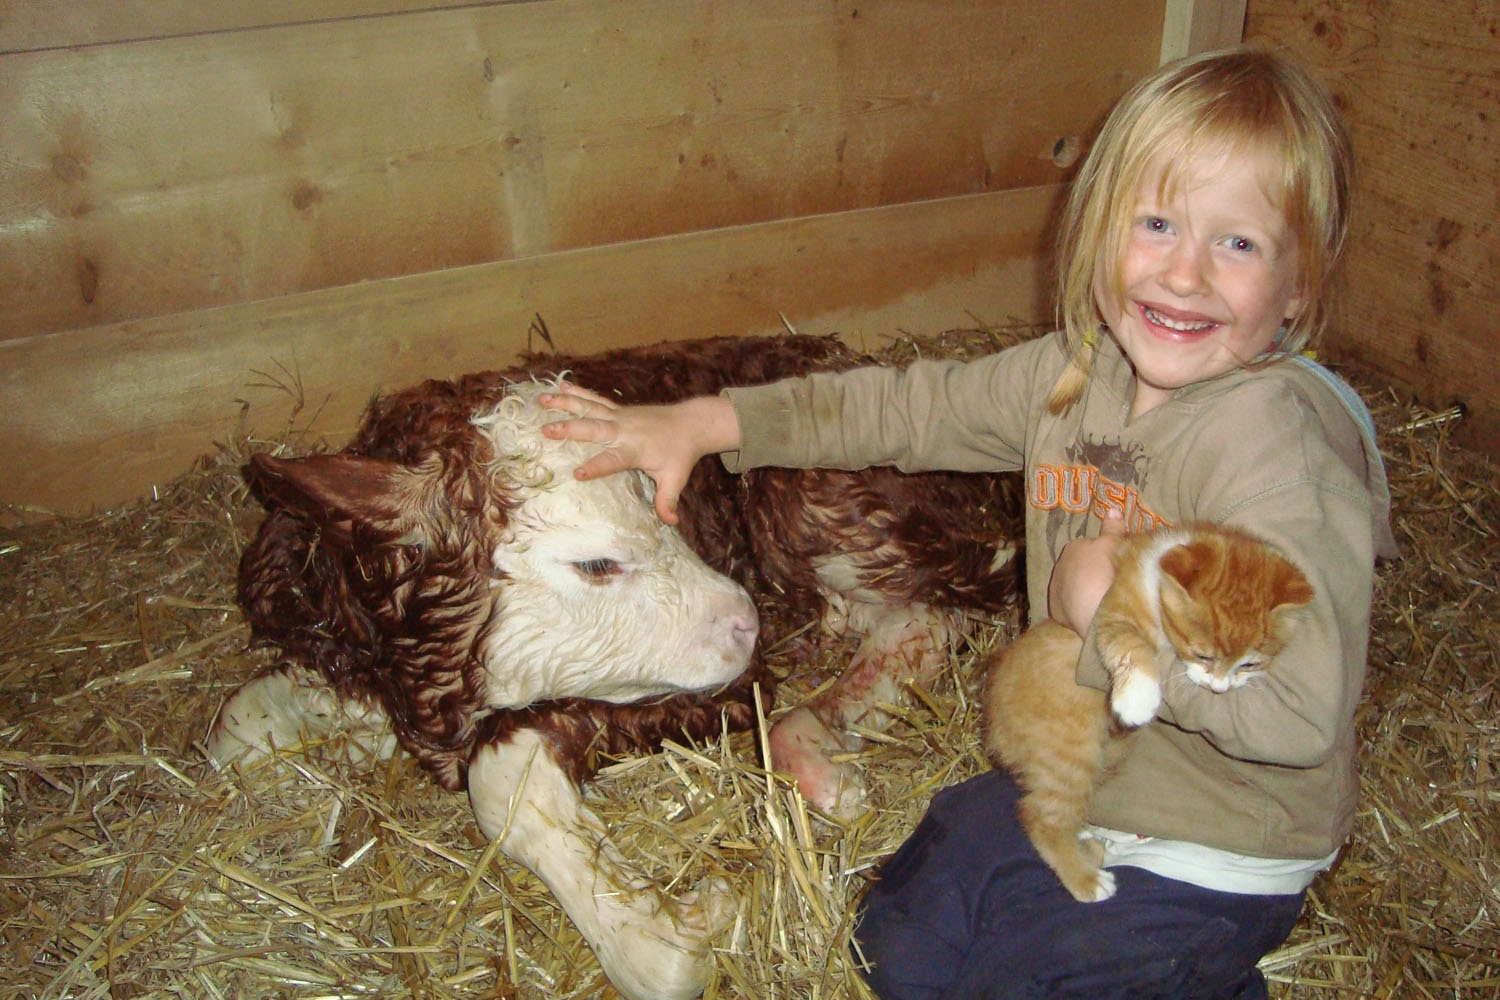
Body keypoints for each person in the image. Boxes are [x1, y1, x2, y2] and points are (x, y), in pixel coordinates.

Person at [539, 46, 1397, 1000]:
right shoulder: (1075, 377)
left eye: (1238, 244)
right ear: (1098, 228)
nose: (1185, 274)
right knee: (899, 948)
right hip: (1090, 782)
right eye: (1156, 223)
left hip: (1221, 841)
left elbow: (1299, 716)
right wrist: (709, 422)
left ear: (1297, 289)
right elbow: (908, 407)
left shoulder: (1275, 455)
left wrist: (1111, 619)